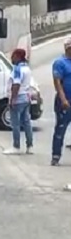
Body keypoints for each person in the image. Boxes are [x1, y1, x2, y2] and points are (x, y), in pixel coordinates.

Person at [3, 48, 33, 155]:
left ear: (18, 57)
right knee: (27, 122)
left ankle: (16, 146)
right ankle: (30, 145)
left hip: (18, 97)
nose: (11, 58)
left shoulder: (17, 69)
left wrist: (12, 99)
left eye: (13, 56)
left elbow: (16, 84)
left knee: (15, 123)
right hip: (26, 97)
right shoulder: (27, 68)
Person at [50, 38, 71, 166]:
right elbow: (57, 82)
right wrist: (63, 99)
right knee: (60, 129)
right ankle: (56, 155)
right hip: (65, 101)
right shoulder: (60, 63)